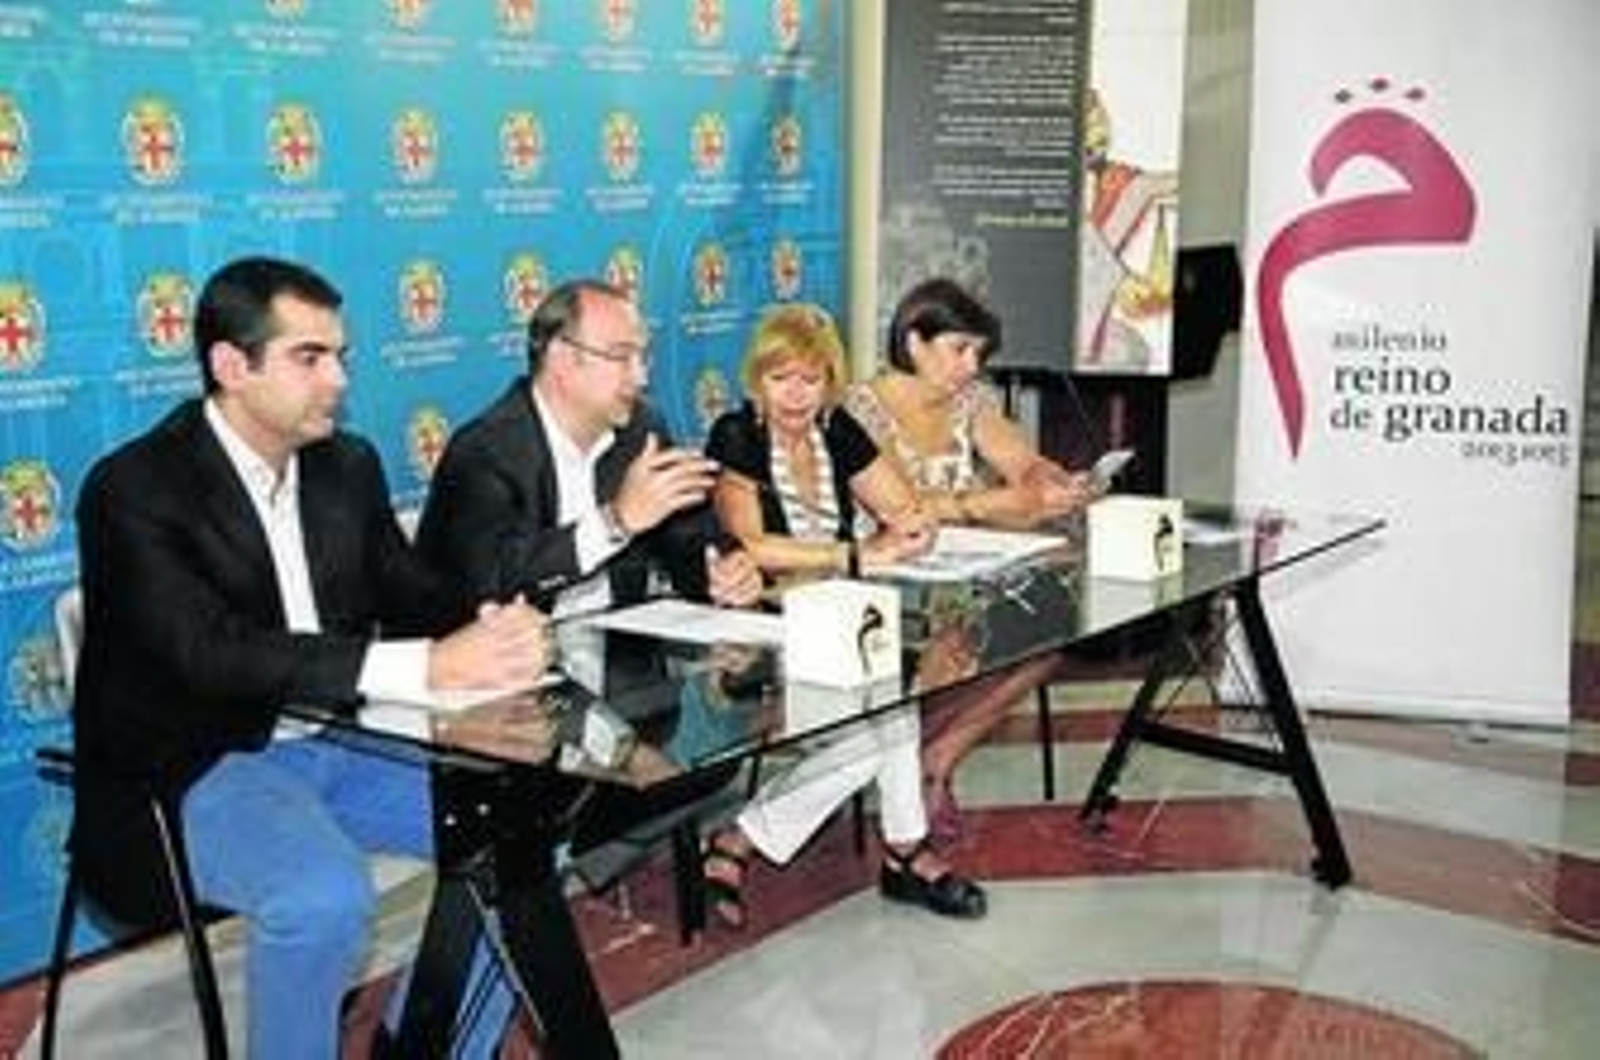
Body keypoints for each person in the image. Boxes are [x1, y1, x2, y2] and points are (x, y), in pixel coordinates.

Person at [70, 256, 553, 1058]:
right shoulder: (133, 488)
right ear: (232, 366)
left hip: (341, 740)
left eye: (341, 355)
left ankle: (423, 1042)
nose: (336, 379)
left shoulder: (344, 464)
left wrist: (492, 624)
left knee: (528, 835)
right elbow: (209, 655)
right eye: (309, 357)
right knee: (324, 897)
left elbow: (411, 590)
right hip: (195, 762)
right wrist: (428, 667)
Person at [699, 303, 987, 924]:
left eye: (811, 378)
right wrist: (854, 553)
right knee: (876, 733)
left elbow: (904, 509)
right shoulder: (736, 435)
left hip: (838, 616)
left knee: (891, 709)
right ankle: (899, 851)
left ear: (831, 382)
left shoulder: (839, 430)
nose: (796, 394)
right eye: (781, 379)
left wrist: (911, 528)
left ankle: (745, 841)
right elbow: (752, 547)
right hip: (758, 628)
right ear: (757, 380)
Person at [843, 277, 1101, 836]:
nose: (971, 366)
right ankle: (902, 758)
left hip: (965, 566)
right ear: (914, 342)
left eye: (978, 354)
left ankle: (934, 760)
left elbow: (1022, 463)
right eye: (959, 349)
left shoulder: (971, 402)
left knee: (1059, 622)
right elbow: (905, 510)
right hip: (885, 572)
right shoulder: (860, 409)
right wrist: (991, 502)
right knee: (963, 630)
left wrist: (1053, 482)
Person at [415, 279, 763, 678]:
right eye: (621, 357)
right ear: (561, 357)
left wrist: (725, 571)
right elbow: (492, 584)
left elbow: (692, 537)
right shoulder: (484, 451)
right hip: (503, 684)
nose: (641, 377)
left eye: (643, 358)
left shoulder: (641, 429)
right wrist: (615, 522)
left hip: (625, 679)